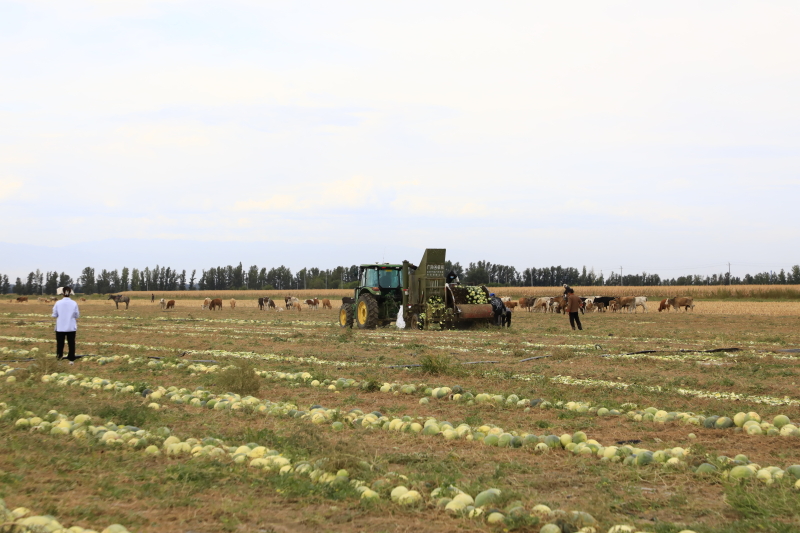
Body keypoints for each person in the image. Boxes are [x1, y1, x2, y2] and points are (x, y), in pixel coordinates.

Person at [52, 287, 80, 364]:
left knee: (60, 343)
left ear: (62, 293)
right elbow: (77, 315)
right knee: (71, 343)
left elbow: (54, 315)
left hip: (60, 327)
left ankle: (59, 359)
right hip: (71, 327)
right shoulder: (74, 303)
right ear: (70, 293)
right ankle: (71, 360)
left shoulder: (58, 303)